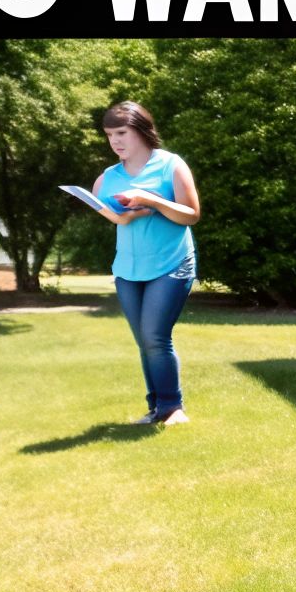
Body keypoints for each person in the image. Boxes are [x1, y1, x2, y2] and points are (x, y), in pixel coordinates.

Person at [91, 101, 201, 426]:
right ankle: (156, 409)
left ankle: (172, 407)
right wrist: (127, 212)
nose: (115, 141)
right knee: (144, 340)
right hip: (128, 270)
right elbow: (119, 222)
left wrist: (151, 199)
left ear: (140, 130)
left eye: (122, 133)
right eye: (110, 134)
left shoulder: (171, 166)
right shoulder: (106, 179)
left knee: (155, 336)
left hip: (172, 263)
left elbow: (191, 215)